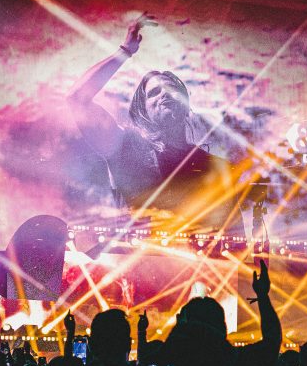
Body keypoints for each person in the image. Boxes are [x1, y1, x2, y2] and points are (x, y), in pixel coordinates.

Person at [68, 13, 244, 235]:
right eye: (154, 93)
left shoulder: (213, 165)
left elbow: (236, 237)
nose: (165, 95)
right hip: (133, 264)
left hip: (198, 266)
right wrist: (125, 52)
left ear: (185, 102)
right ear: (144, 109)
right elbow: (77, 99)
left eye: (171, 90)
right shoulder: (124, 147)